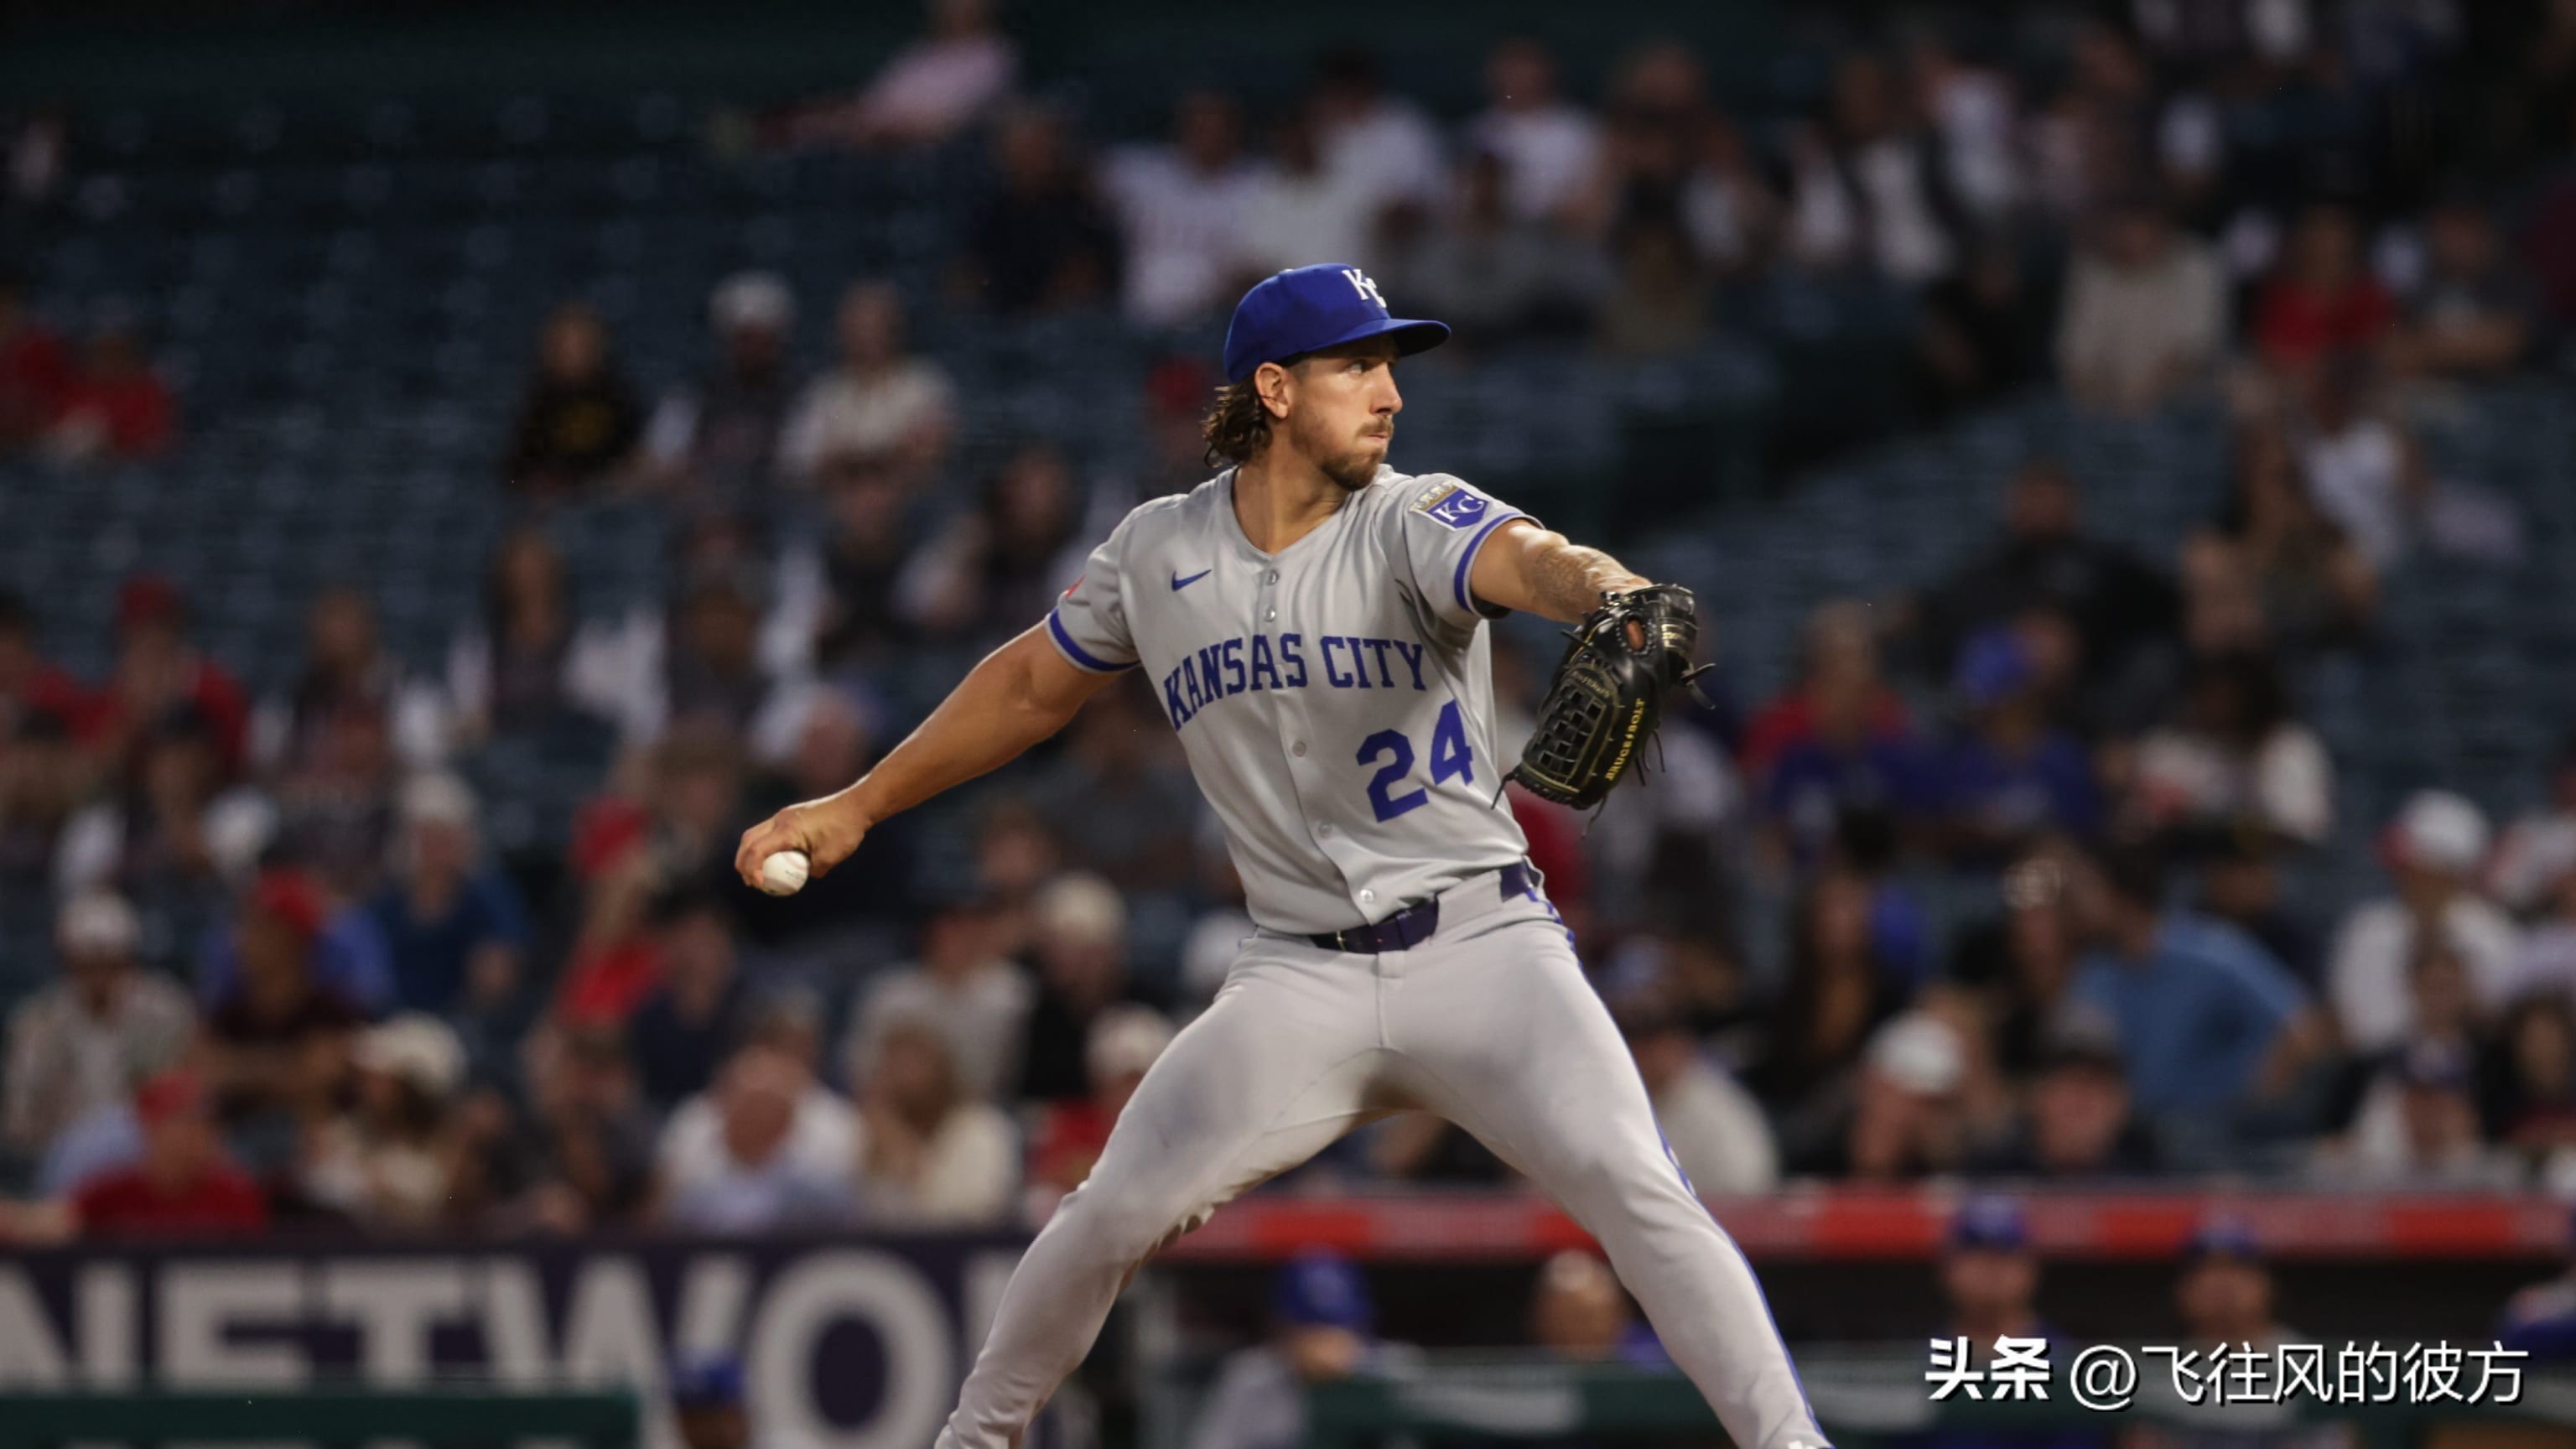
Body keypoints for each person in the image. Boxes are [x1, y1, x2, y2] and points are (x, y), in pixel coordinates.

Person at [737, 263, 1831, 1449]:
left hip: (1482, 943)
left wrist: (1611, 591)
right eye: (1356, 365)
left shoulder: (1411, 518)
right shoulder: (1157, 552)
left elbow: (1535, 559)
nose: (1389, 395)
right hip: (1296, 974)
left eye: (1390, 366)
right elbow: (1028, 686)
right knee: (1109, 1213)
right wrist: (858, 801)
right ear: (1273, 388)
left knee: (1639, 1190)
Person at [2064, 844, 2324, 1124]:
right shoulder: (2096, 972)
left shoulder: (2213, 953)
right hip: (2137, 1132)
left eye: (2087, 889)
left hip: (2220, 1129)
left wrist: (2255, 1101)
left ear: (2121, 895)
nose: (2075, 904)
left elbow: (2304, 1026)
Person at [2329, 791, 2521, 1057]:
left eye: (2420, 866)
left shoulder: (2490, 932)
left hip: (2468, 1076)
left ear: (2449, 871)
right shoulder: (2368, 926)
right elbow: (2346, 1025)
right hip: (2377, 1073)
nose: (2405, 874)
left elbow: (2502, 1027)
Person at [3, 891, 195, 1155]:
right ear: (69, 964)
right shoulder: (39, 1021)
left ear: (127, 961)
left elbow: (179, 1089)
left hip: (144, 1151)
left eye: (110, 965)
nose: (99, 977)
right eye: (88, 965)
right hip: (58, 1151)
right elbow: (22, 1113)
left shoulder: (164, 1012)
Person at [1184, 1250, 1410, 1449]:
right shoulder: (1250, 1377)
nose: (1322, 1345)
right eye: (1309, 1330)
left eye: (1333, 1329)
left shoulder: (1390, 1373)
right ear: (1282, 1330)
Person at [367, 772, 530, 1019]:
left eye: (445, 839)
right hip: (396, 1019)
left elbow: (498, 976)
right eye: (428, 839)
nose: (437, 851)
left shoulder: (489, 896)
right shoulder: (387, 902)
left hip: (465, 1023)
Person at [842, 892, 1031, 1104]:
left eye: (969, 928)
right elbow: (860, 1068)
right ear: (929, 934)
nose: (959, 939)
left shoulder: (1012, 995)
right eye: (950, 928)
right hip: (896, 1108)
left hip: (977, 1111)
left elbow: (1014, 1075)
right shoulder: (890, 994)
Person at [2055, 192, 2226, 415]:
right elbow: (2075, 357)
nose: (2131, 243)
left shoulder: (2198, 265)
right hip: (2104, 410)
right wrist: (2106, 401)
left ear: (2162, 228)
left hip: (2181, 407)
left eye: (2138, 232)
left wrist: (2142, 400)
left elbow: (2195, 351)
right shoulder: (2091, 270)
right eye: (2120, 234)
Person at [1104, 91, 1263, 328]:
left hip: (1213, 324)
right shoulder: (1141, 173)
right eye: (1198, 127)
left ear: (1234, 132)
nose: (1208, 137)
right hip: (1138, 319)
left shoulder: (1258, 185)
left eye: (1217, 128)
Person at [642, 272, 799, 507]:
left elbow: (800, 470)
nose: (754, 349)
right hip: (703, 515)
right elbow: (659, 462)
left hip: (772, 513)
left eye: (764, 338)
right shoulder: (691, 396)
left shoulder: (802, 398)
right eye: (746, 338)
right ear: (726, 338)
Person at [780, 283, 955, 486]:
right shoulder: (824, 390)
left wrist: (850, 457)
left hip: (910, 501)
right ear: (842, 333)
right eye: (858, 327)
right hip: (834, 502)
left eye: (876, 326)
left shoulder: (925, 381)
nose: (867, 337)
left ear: (894, 329)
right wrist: (887, 453)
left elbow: (927, 454)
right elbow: (799, 461)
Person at [851, 1016, 1019, 1226]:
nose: (901, 1078)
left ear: (942, 1071)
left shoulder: (982, 1129)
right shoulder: (866, 1129)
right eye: (891, 1066)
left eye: (912, 1065)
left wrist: (909, 1158)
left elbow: (973, 1211)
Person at [500, 303, 642, 497]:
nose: (572, 353)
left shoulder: (618, 398)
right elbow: (516, 472)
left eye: (581, 344)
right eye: (565, 344)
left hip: (610, 496)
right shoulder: (536, 402)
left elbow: (635, 455)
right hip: (556, 500)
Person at [1530, 1248, 1669, 1368]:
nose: (1587, 1328)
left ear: (1621, 1313)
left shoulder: (1655, 1358)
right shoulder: (1527, 1369)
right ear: (1543, 1321)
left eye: (1593, 1316)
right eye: (1574, 1318)